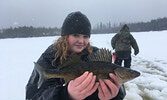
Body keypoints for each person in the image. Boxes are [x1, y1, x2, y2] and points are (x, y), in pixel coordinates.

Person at [26, 11, 126, 100]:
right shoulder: (49, 57)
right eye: (76, 35)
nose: (81, 41)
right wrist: (65, 95)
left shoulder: (96, 55)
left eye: (85, 36)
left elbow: (119, 88)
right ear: (65, 36)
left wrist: (114, 96)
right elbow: (34, 96)